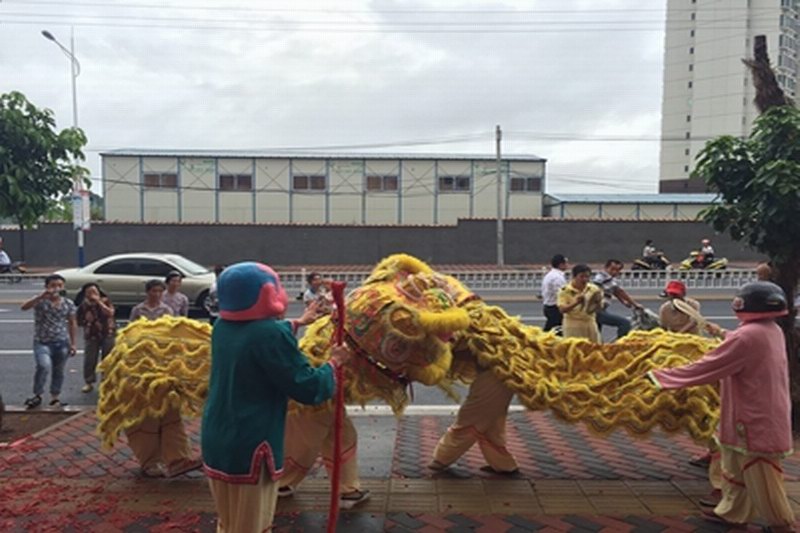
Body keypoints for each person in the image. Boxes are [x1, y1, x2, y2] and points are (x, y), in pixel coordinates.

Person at [202, 262, 350, 533]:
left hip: (218, 438)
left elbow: (253, 340)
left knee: (229, 522)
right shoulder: (270, 334)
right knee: (252, 525)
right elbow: (307, 387)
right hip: (252, 442)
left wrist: (298, 322)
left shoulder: (221, 327)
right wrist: (334, 364)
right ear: (267, 293)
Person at [648, 281, 795, 530]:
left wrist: (660, 377)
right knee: (736, 465)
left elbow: (708, 365)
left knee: (760, 471)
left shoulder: (747, 336)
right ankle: (733, 512)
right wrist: (720, 333)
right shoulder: (771, 329)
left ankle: (781, 523)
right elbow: (738, 344)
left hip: (753, 416)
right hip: (756, 409)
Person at [125, 279, 200, 478]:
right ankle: (150, 462)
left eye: (160, 291)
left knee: (170, 414)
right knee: (147, 418)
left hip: (164, 366)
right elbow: (129, 335)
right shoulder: (138, 310)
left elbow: (173, 334)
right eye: (154, 291)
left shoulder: (167, 310)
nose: (157, 294)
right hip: (142, 367)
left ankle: (178, 458)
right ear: (148, 292)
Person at [21, 274, 77, 409]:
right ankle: (38, 394)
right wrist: (41, 296)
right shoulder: (40, 301)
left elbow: (72, 323)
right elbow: (24, 307)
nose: (56, 288)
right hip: (42, 341)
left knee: (59, 370)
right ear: (47, 287)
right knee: (43, 366)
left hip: (61, 341)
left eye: (60, 285)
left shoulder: (68, 303)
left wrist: (73, 343)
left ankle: (55, 397)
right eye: (53, 285)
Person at [75, 283, 116, 393]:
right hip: (91, 335)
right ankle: (89, 382)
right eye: (89, 292)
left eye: (94, 292)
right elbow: (78, 321)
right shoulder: (84, 305)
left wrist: (99, 302)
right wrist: (86, 320)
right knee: (90, 359)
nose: (92, 294)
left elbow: (110, 313)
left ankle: (106, 381)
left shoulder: (105, 301)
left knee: (108, 358)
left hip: (108, 332)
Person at [592, 259, 642, 339]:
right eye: (612, 269)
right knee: (624, 323)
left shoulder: (610, 279)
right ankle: (619, 344)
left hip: (601, 309)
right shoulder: (602, 277)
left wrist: (623, 302)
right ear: (606, 268)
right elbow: (619, 291)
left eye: (617, 270)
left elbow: (615, 291)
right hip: (596, 310)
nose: (614, 272)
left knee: (597, 334)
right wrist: (635, 304)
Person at [557, 264, 604, 342]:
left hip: (590, 322)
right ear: (574, 276)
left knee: (594, 347)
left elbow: (599, 308)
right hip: (573, 324)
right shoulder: (565, 290)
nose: (585, 279)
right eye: (581, 276)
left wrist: (597, 303)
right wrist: (576, 302)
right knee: (574, 347)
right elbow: (562, 309)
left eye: (587, 277)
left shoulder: (594, 289)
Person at [541, 254, 568, 333]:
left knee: (549, 331)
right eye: (566, 263)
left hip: (549, 306)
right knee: (556, 332)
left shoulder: (550, 275)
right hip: (554, 308)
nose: (567, 265)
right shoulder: (557, 278)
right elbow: (562, 293)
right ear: (561, 264)